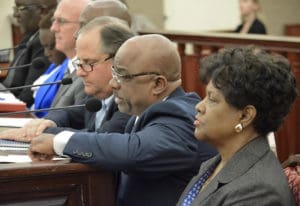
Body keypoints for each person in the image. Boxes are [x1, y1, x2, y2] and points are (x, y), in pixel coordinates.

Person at [28, 34, 217, 206]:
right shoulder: (144, 114)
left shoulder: (181, 118)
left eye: (122, 76)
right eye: (113, 73)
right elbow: (105, 142)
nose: (113, 83)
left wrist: (58, 142)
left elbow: (132, 151)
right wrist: (48, 134)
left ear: (158, 84)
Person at [177, 46, 297, 205]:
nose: (199, 106)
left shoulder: (258, 191)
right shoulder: (214, 163)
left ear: (245, 116)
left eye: (212, 99)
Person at [0, 17, 133, 139]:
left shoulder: (131, 100)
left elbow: (102, 139)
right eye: (79, 63)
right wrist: (47, 122)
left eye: (88, 63)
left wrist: (42, 132)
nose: (80, 73)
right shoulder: (99, 93)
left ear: (118, 61)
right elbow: (72, 114)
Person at [1, 0, 57, 107]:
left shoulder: (42, 43)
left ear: (42, 11)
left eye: (21, 9)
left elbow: (27, 96)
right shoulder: (28, 37)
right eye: (15, 9)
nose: (15, 14)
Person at [48, 0, 89, 108]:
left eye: (61, 21)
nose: (53, 28)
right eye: (53, 20)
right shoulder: (69, 66)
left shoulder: (88, 76)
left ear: (85, 26)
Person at [31, 9, 68, 117]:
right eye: (44, 47)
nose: (46, 53)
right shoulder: (53, 66)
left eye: (51, 47)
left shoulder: (70, 71)